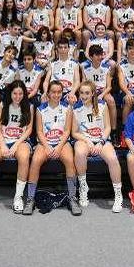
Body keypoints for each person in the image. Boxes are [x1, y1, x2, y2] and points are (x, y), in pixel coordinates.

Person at [23, 80, 81, 216]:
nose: (56, 95)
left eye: (59, 92)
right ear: (48, 93)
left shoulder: (67, 108)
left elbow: (67, 131)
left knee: (69, 160)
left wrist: (59, 147)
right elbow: (39, 132)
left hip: (62, 142)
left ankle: (72, 197)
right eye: (53, 92)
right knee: (36, 161)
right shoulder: (40, 109)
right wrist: (48, 147)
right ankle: (30, 198)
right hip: (45, 143)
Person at [0, 80, 33, 214]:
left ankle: (18, 198)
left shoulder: (29, 106)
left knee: (24, 158)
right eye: (15, 93)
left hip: (21, 141)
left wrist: (15, 145)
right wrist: (2, 145)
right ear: (10, 93)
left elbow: (29, 130)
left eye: (20, 93)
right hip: (4, 139)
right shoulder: (3, 105)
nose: (18, 96)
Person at [71, 81, 124, 213]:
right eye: (81, 93)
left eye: (87, 93)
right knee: (79, 152)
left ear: (93, 93)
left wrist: (100, 142)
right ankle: (83, 187)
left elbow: (107, 127)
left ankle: (118, 195)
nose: (84, 96)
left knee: (112, 159)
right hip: (84, 139)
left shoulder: (102, 105)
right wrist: (88, 141)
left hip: (101, 139)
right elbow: (74, 132)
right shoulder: (75, 108)